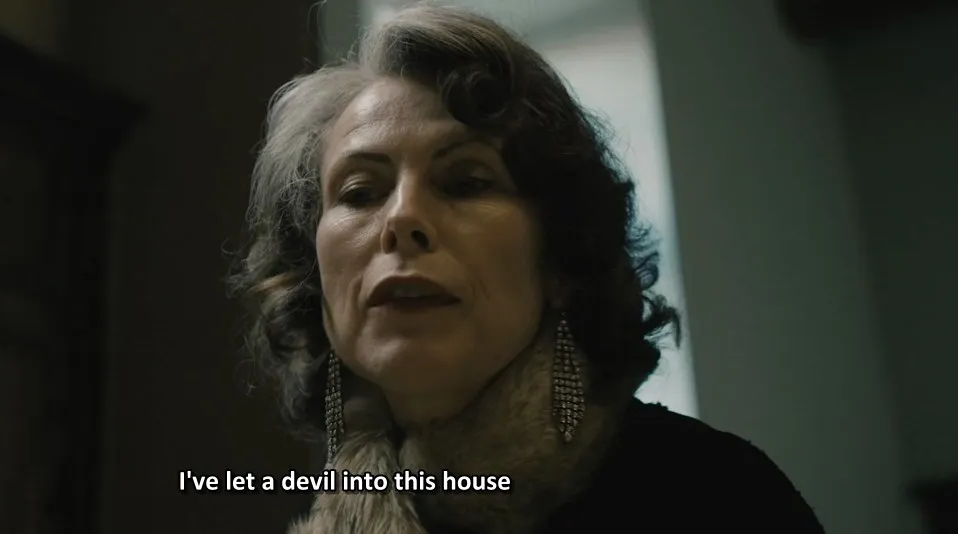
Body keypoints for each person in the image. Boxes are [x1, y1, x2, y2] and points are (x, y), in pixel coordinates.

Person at [228, 4, 825, 533]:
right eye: (360, 192)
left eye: (465, 182)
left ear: (560, 259)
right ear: (315, 280)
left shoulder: (720, 495)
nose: (403, 218)